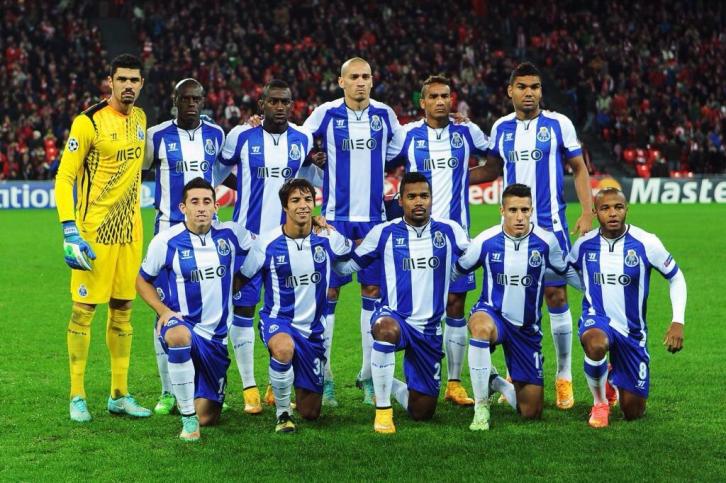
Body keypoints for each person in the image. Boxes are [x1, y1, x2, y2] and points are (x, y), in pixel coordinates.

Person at [474, 62, 593, 409]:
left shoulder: (559, 124)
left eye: (535, 87)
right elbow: (492, 168)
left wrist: (587, 211)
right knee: (513, 301)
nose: (530, 93)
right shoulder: (501, 128)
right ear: (510, 91)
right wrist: (449, 175)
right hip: (514, 231)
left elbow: (579, 168)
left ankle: (564, 376)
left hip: (551, 227)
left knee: (556, 296)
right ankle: (517, 372)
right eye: (523, 87)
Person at [334, 172, 470, 433]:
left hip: (429, 330)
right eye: (412, 196)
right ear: (401, 200)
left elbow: (473, 256)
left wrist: (454, 272)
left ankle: (383, 380)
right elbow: (347, 266)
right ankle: (383, 411)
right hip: (395, 318)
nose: (418, 202)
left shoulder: (450, 230)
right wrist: (328, 243)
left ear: (431, 199)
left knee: (422, 412)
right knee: (385, 329)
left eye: (424, 196)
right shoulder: (383, 233)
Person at [55, 53, 151, 422]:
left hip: (130, 233)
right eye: (122, 79)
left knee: (123, 310)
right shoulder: (89, 122)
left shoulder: (141, 119)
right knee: (84, 311)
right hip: (94, 235)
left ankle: (119, 394)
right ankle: (77, 395)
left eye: (134, 80)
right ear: (110, 81)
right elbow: (65, 177)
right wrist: (69, 229)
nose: (128, 85)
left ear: (141, 84)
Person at [303, 57, 401, 406]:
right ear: (341, 81)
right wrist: (314, 159)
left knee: (372, 292)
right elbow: (297, 141)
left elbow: (397, 150)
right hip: (334, 218)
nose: (360, 82)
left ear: (372, 81)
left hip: (374, 218)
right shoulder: (325, 114)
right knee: (328, 293)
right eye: (354, 77)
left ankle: (368, 375)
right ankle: (325, 375)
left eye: (366, 77)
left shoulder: (385, 115)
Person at [387, 75, 489, 407]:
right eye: (433, 96)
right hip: (417, 238)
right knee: (418, 307)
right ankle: (396, 374)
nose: (441, 101)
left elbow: (496, 162)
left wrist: (462, 177)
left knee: (456, 306)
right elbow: (379, 164)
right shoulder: (407, 135)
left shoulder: (467, 132)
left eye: (445, 95)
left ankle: (454, 383)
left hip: (457, 238)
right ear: (423, 102)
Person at [221, 79, 315, 413]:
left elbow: (309, 181)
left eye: (285, 102)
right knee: (243, 312)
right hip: (247, 241)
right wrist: (246, 184)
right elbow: (218, 170)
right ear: (261, 105)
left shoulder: (302, 139)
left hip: (284, 245)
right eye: (273, 101)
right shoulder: (241, 137)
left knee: (286, 314)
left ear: (292, 104)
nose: (279, 107)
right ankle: (249, 387)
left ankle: (278, 383)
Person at [453, 184, 579, 430]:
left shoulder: (546, 242)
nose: (519, 217)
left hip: (526, 330)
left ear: (532, 210)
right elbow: (457, 270)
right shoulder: (486, 241)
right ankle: (481, 407)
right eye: (513, 210)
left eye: (524, 210)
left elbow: (566, 272)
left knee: (531, 412)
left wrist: (595, 291)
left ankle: (495, 381)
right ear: (502, 210)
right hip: (493, 314)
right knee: (480, 327)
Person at [136, 178, 252, 441]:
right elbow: (142, 280)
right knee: (178, 336)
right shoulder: (166, 241)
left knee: (208, 417)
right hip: (182, 323)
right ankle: (188, 420)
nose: (201, 207)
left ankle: (193, 399)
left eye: (207, 202)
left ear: (215, 207)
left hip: (216, 339)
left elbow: (263, 247)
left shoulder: (231, 234)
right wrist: (163, 311)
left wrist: (241, 279)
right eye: (195, 202)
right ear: (183, 207)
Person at [238, 178, 353, 433]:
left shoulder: (327, 238)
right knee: (283, 348)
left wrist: (331, 229)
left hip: (313, 332)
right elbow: (242, 277)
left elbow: (353, 255)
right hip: (278, 321)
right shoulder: (266, 243)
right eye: (295, 200)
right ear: (285, 207)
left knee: (311, 412)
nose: (303, 205)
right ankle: (283, 414)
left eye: (308, 199)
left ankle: (286, 383)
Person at [567, 188, 687, 428]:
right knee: (595, 343)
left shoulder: (647, 242)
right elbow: (568, 270)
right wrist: (589, 289)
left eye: (618, 207)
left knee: (633, 411)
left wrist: (678, 321)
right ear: (595, 212)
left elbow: (676, 277)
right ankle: (600, 403)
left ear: (626, 210)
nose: (612, 213)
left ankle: (612, 378)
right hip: (597, 319)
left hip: (632, 333)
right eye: (605, 208)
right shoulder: (584, 244)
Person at [143, 78, 228, 415]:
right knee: (164, 310)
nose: (191, 104)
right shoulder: (156, 135)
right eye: (186, 98)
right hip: (168, 230)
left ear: (203, 101)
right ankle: (168, 391)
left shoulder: (216, 135)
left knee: (207, 305)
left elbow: (224, 174)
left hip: (207, 234)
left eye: (197, 98)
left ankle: (203, 380)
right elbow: (138, 170)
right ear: (175, 100)